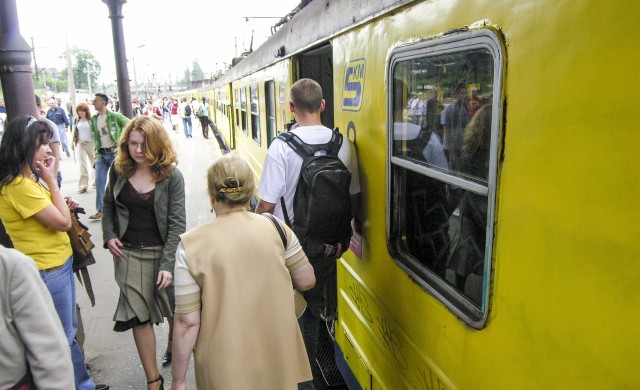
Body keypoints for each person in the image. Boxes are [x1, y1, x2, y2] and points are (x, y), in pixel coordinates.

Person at [171, 154, 315, 389]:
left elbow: (187, 322)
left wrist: (178, 380)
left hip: (223, 368)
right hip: (277, 358)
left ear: (211, 196)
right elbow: (307, 280)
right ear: (251, 193)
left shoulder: (190, 245)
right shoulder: (277, 228)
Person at [255, 78, 361, 389]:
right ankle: (306, 372)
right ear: (323, 105)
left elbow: (265, 205)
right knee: (312, 308)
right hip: (329, 247)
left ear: (291, 108)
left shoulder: (281, 146)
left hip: (290, 247)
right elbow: (354, 198)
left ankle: (302, 379)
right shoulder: (344, 144)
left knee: (296, 316)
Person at [0, 115, 108, 390]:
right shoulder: (19, 186)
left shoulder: (26, 179)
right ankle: (80, 386)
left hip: (56, 265)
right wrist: (52, 181)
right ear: (24, 146)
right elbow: (61, 223)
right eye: (42, 144)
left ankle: (82, 384)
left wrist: (57, 197)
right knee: (63, 336)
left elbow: (54, 213)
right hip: (48, 270)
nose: (49, 150)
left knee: (67, 333)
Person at [102, 116, 185, 390]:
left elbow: (177, 225)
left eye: (144, 145)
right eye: (132, 144)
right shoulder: (119, 169)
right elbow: (108, 206)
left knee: (175, 311)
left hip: (162, 253)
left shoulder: (172, 176)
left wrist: (167, 264)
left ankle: (173, 347)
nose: (137, 150)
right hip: (128, 255)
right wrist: (109, 235)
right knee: (139, 317)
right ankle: (153, 381)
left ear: (157, 144)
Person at [0, 245, 75, 389]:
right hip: (49, 265)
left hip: (55, 264)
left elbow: (50, 355)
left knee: (66, 336)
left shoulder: (10, 266)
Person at [89, 92, 130, 220]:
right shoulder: (94, 119)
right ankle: (100, 210)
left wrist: (123, 143)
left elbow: (130, 124)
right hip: (101, 153)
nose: (93, 102)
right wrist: (96, 153)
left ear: (103, 102)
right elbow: (96, 136)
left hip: (114, 153)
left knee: (118, 181)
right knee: (99, 181)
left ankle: (121, 208)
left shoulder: (114, 116)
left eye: (96, 100)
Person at [36, 95, 63, 188]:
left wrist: (53, 178)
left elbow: (55, 152)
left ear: (39, 106)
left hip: (49, 172)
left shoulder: (49, 125)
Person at [441, 83, 471, 168]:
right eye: (462, 93)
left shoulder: (465, 109)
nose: (465, 95)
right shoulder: (449, 110)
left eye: (466, 93)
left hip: (462, 147)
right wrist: (451, 153)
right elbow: (447, 133)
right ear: (456, 94)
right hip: (451, 149)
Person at [72, 102, 96, 194]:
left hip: (91, 143)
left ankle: (95, 182)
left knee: (94, 163)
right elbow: (75, 132)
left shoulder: (91, 120)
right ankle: (83, 185)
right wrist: (73, 142)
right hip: (80, 143)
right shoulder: (76, 120)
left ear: (86, 111)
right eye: (79, 111)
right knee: (82, 164)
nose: (81, 113)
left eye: (82, 111)